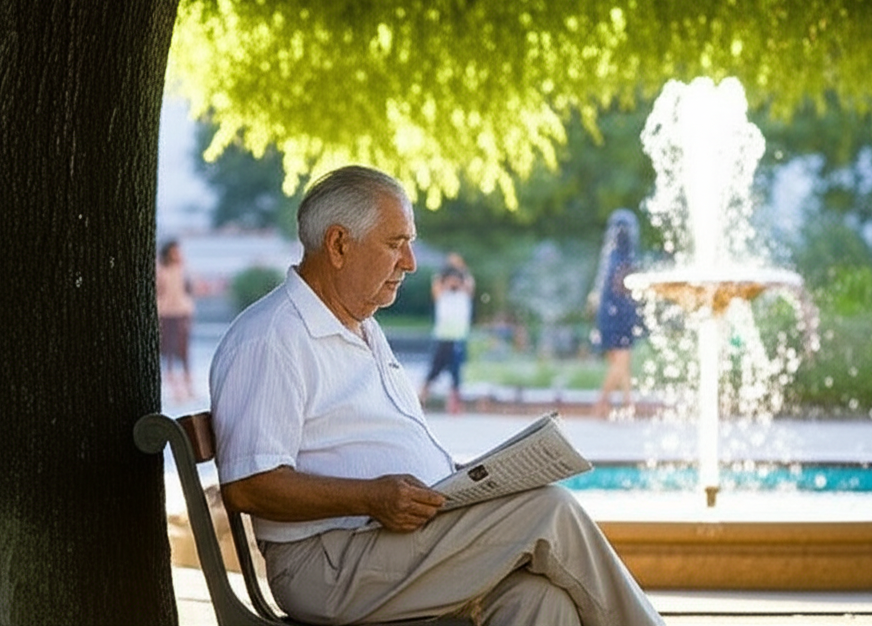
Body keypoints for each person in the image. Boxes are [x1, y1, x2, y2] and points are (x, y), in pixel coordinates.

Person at [209, 166, 665, 626]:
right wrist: (371, 497)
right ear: (339, 244)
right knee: (551, 510)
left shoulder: (361, 325)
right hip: (327, 565)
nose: (409, 262)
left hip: (385, 545)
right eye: (395, 243)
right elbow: (250, 484)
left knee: (540, 602)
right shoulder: (271, 338)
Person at [591, 209, 642, 419]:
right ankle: (601, 403)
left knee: (621, 364)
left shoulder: (611, 259)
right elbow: (626, 292)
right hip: (619, 320)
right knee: (621, 363)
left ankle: (629, 404)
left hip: (609, 319)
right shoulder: (623, 261)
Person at [420, 253, 475, 414]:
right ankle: (421, 399)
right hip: (443, 337)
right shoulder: (441, 294)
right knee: (433, 371)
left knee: (457, 373)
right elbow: (437, 283)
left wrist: (460, 267)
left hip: (458, 337)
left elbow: (469, 282)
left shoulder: (464, 294)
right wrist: (447, 270)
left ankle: (455, 406)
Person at [156, 238, 195, 402]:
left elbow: (188, 288)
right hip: (166, 312)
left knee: (183, 348)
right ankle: (175, 387)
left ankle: (188, 384)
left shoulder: (183, 269)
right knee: (168, 349)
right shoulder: (160, 269)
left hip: (181, 311)